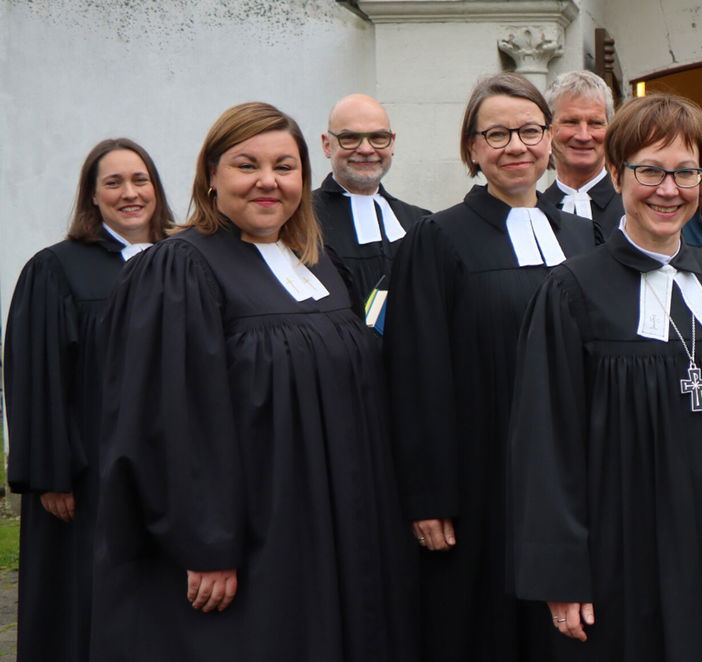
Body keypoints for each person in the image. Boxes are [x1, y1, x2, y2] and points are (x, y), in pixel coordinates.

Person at [90, 102, 417, 661]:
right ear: (211, 176)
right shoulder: (180, 268)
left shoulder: (317, 264)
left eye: (285, 167)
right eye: (247, 165)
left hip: (334, 528)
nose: (269, 181)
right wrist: (206, 541)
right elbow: (169, 415)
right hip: (252, 541)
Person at [507, 92, 702, 662]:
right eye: (650, 171)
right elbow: (545, 444)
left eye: (685, 172)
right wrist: (562, 574)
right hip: (620, 555)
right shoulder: (570, 291)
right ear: (619, 174)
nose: (669, 190)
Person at [384, 72, 601, 662]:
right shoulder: (437, 238)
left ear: (549, 139)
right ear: (473, 148)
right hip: (485, 481)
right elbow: (415, 371)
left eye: (530, 131)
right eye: (497, 134)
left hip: (579, 477)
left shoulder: (585, 237)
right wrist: (428, 494)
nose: (516, 147)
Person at [4, 137, 174, 662]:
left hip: (171, 467)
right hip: (91, 473)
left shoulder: (183, 260)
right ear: (92, 196)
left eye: (140, 180)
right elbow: (36, 378)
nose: (130, 193)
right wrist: (52, 475)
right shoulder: (57, 269)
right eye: (114, 183)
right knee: (90, 596)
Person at [311, 93, 431, 308]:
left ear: (392, 143)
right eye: (349, 138)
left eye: (378, 137)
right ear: (327, 145)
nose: (366, 149)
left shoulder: (420, 222)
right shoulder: (301, 218)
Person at [542, 70, 623, 236]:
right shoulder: (537, 211)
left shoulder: (633, 208)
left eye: (595, 123)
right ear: (548, 129)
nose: (583, 136)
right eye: (571, 122)